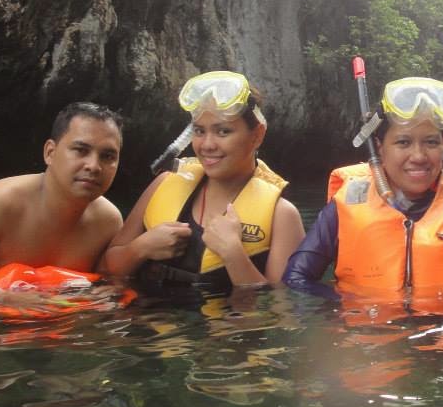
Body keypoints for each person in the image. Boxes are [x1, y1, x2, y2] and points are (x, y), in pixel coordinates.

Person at [283, 76, 443, 305]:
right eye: (403, 142)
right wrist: (344, 304)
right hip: (366, 332)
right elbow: (296, 278)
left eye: (431, 142)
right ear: (380, 148)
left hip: (442, 332)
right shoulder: (347, 204)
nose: (419, 156)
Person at [100, 71, 304, 290]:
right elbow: (104, 269)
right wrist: (141, 248)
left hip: (226, 324)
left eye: (223, 131)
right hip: (148, 321)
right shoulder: (164, 183)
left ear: (257, 135)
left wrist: (233, 254)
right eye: (199, 131)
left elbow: (282, 312)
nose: (207, 144)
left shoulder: (282, 216)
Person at [0, 102, 124, 303]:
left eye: (107, 156)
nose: (94, 166)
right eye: (80, 150)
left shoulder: (108, 223)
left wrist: (109, 291)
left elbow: (108, 282)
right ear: (50, 153)